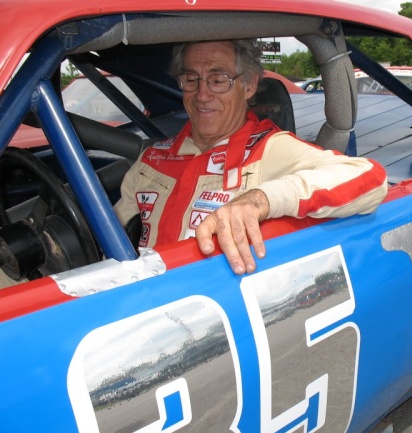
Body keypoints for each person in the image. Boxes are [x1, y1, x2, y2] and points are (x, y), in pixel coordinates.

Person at [114, 39, 388, 275]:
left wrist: (259, 200)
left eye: (218, 80)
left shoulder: (269, 149)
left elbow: (370, 178)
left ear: (248, 86)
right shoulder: (153, 158)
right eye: (190, 80)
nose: (202, 94)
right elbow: (108, 246)